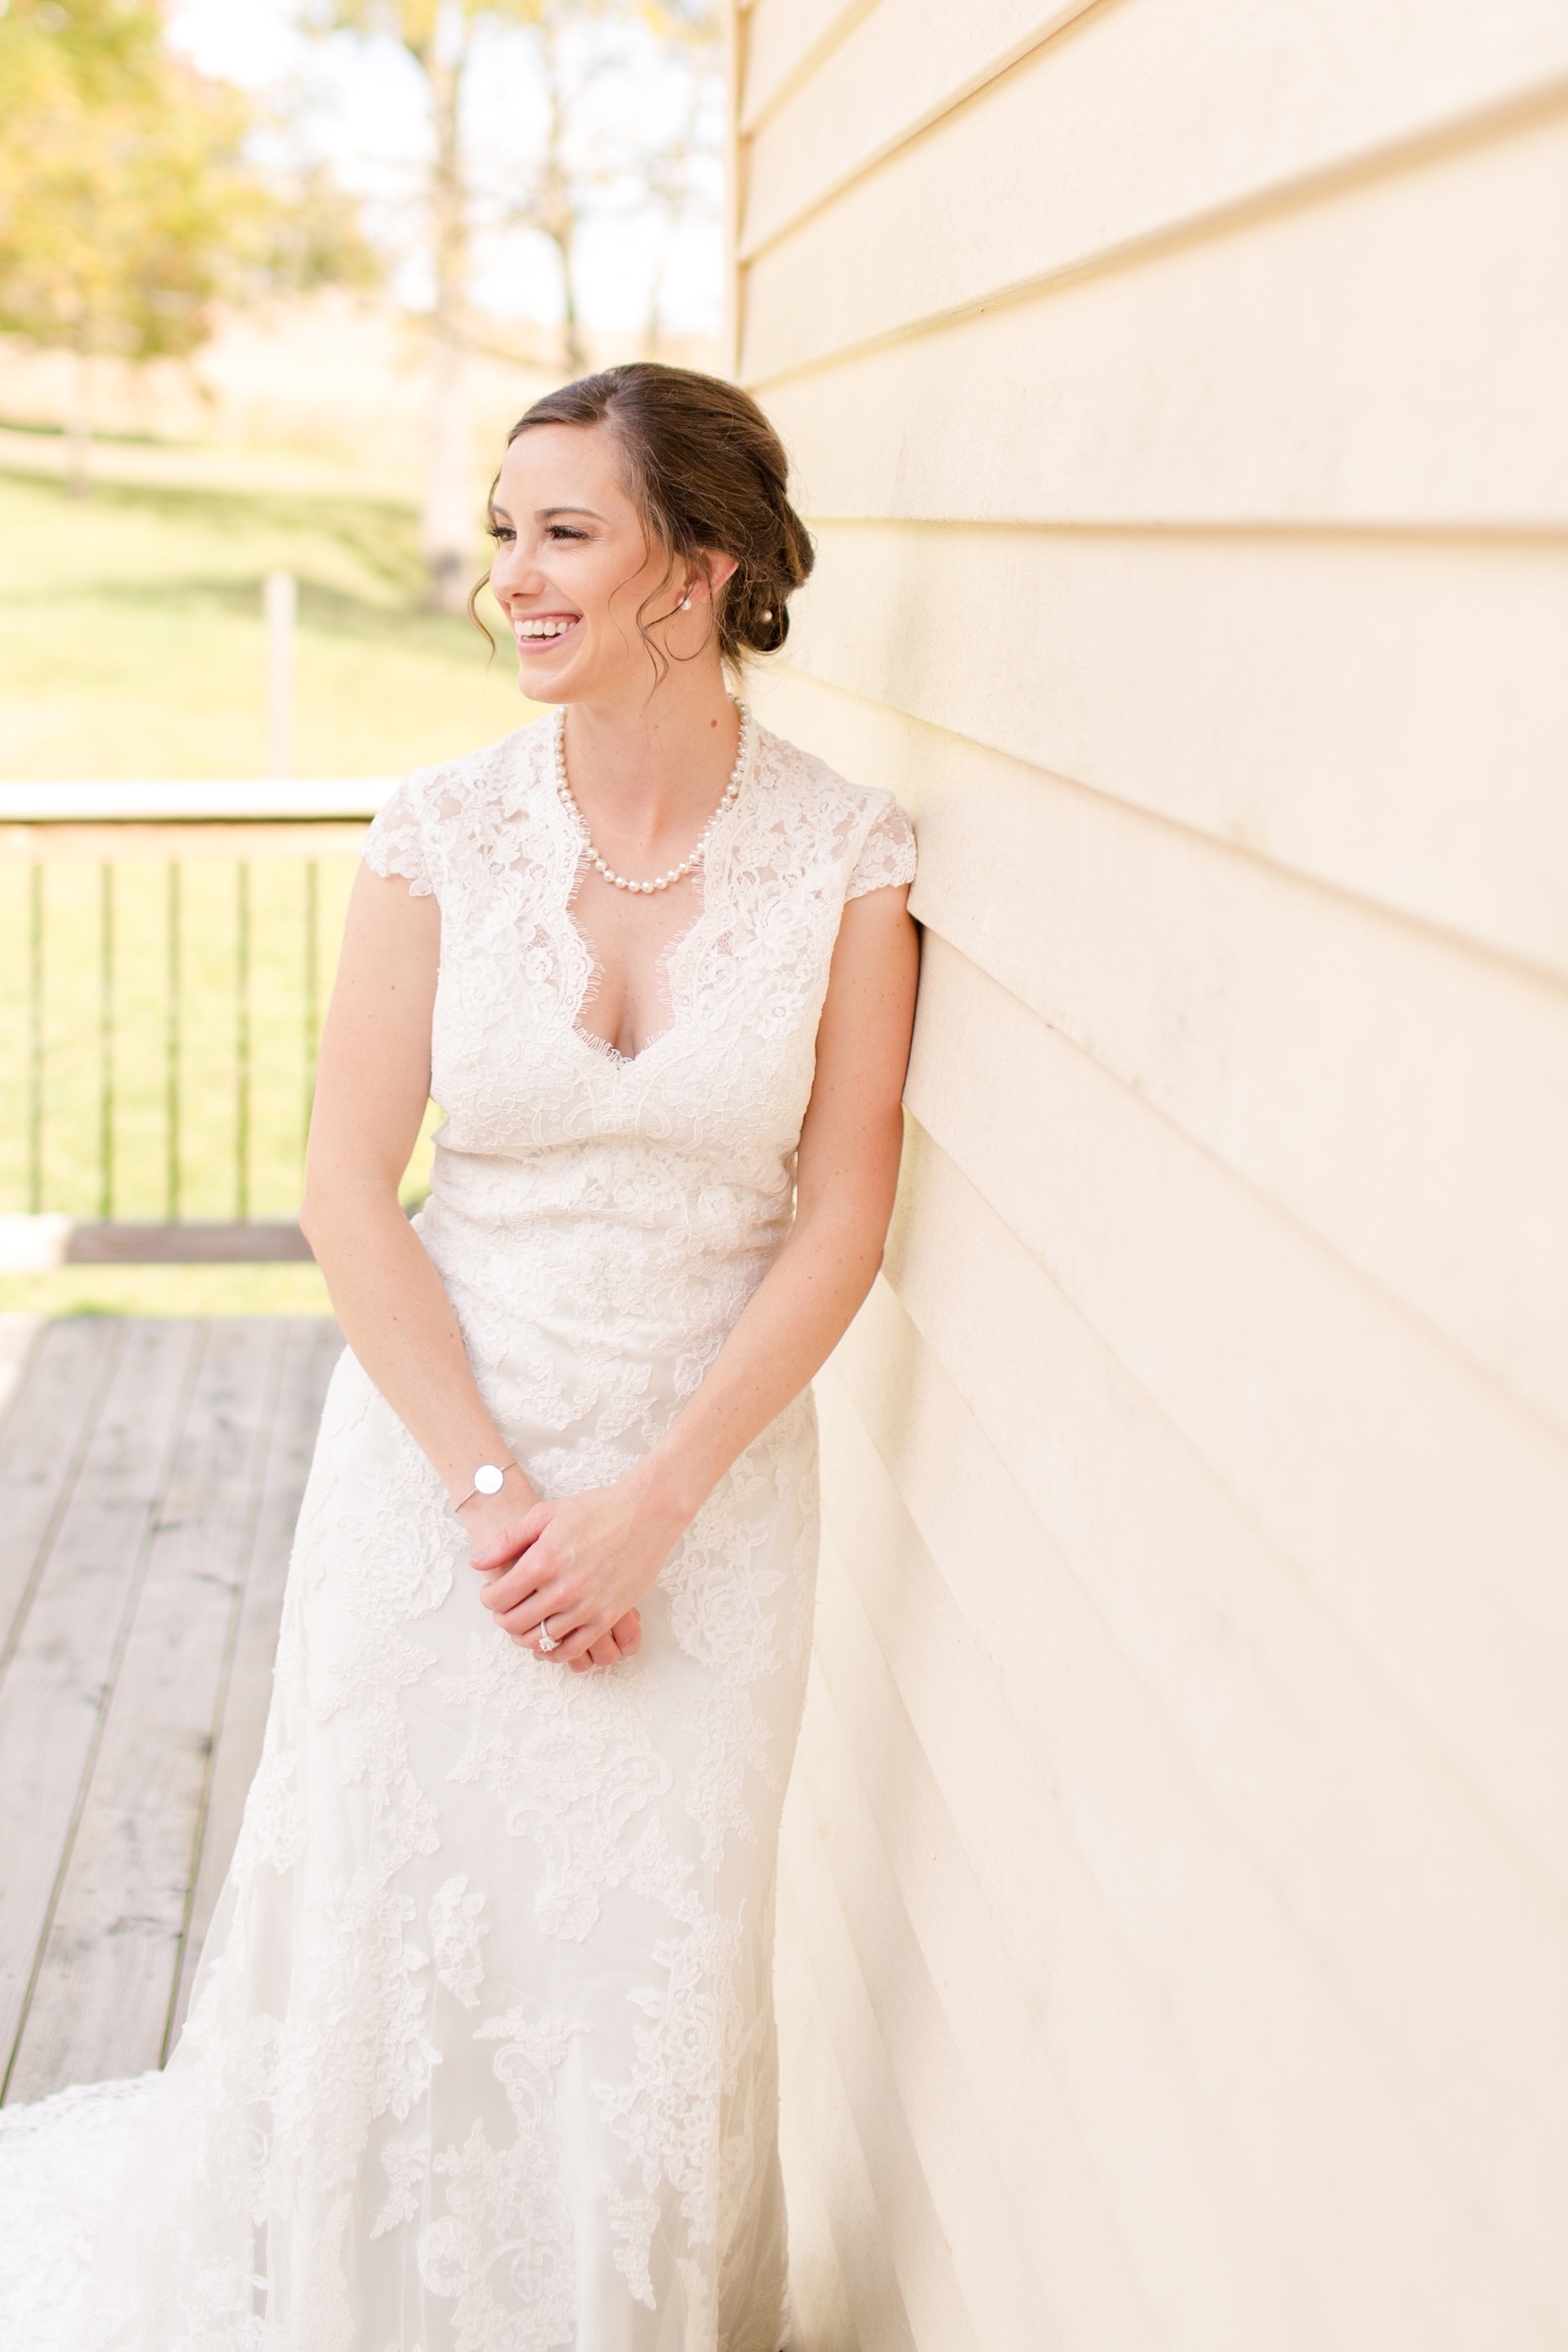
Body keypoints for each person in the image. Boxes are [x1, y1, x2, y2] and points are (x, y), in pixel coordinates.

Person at [0, 362, 917, 2352]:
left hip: (708, 1500)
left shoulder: (851, 861)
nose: (509, 575)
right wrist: (500, 1500)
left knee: (642, 1969)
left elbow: (842, 1216)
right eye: (507, 531)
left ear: (702, 571)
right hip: (441, 1478)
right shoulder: (436, 832)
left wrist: (650, 1509)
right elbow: (348, 1188)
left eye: (563, 532)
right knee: (389, 1936)